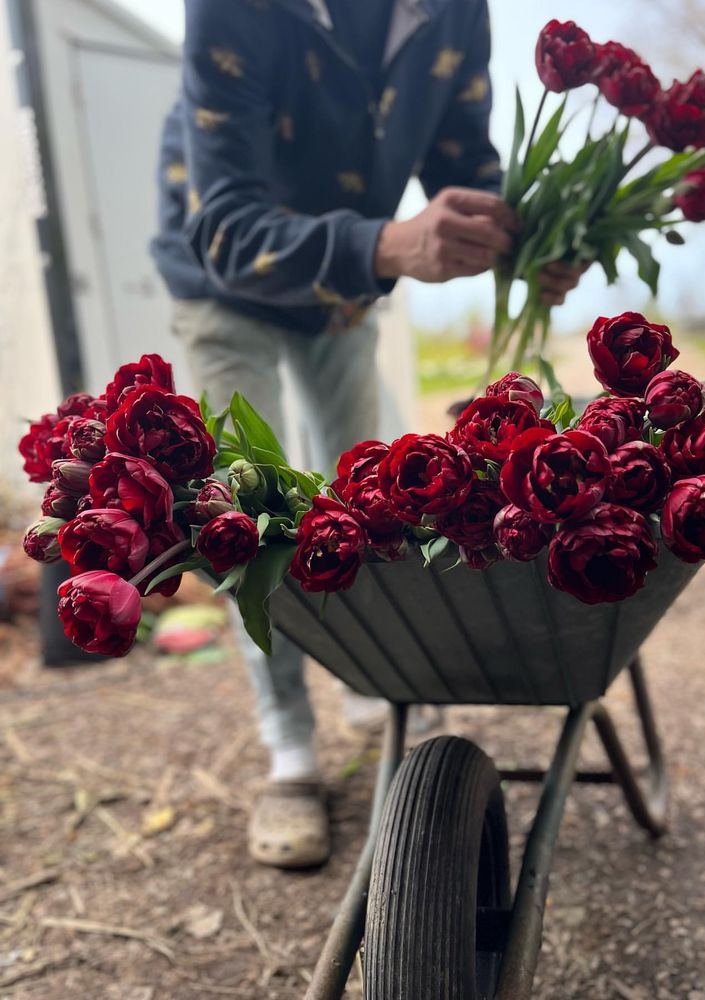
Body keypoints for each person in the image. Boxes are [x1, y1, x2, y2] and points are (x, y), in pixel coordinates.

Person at [151, 0, 584, 870]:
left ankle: (371, 686)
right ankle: (291, 753)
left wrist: (525, 241)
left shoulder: (452, 10)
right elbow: (227, 225)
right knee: (244, 513)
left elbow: (463, 153)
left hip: (344, 289)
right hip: (226, 276)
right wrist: (390, 243)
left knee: (362, 504)